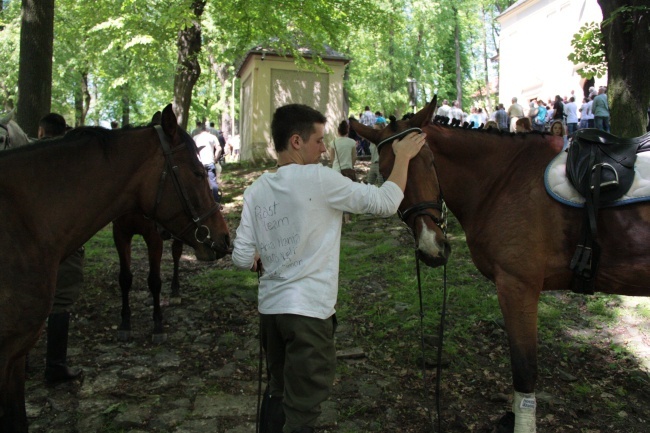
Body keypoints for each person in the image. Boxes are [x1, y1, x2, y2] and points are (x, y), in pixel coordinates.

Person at [231, 103, 426, 433]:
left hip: (271, 315)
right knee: (302, 410)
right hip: (309, 316)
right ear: (296, 141)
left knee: (278, 394)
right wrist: (403, 157)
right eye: (319, 141)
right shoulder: (320, 180)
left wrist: (260, 256)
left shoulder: (256, 190)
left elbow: (240, 258)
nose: (324, 149)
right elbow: (385, 202)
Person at [38, 113, 84, 383]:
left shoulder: (27, 159)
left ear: (41, 132)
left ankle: (20, 364)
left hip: (30, 239)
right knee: (61, 300)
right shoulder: (71, 162)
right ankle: (54, 365)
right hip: (63, 240)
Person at [329, 120, 358, 223]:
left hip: (336, 171)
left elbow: (332, 159)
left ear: (338, 131)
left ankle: (337, 218)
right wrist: (350, 165)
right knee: (347, 195)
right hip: (348, 171)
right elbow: (354, 157)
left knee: (336, 194)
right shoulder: (352, 142)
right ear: (347, 130)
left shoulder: (333, 142)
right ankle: (346, 219)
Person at [193, 124, 221, 202]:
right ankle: (216, 201)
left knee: (199, 183)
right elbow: (219, 148)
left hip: (199, 164)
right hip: (210, 162)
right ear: (208, 131)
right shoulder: (212, 137)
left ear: (200, 131)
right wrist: (216, 157)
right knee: (213, 182)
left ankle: (201, 201)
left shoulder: (195, 137)